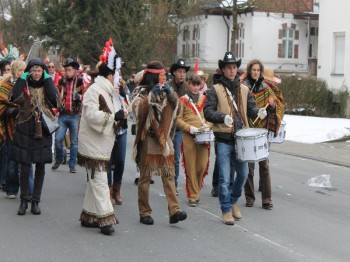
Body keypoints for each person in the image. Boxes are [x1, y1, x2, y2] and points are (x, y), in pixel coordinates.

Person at [203, 51, 267, 225]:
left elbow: (251, 109)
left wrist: (259, 112)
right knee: (224, 178)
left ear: (237, 69)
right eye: (228, 68)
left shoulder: (244, 89)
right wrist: (222, 117)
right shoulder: (214, 89)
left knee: (244, 174)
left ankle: (232, 201)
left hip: (241, 140)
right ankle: (226, 210)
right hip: (223, 139)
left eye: (234, 67)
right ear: (223, 70)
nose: (232, 71)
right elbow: (207, 112)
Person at [132, 61, 187, 225]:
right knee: (145, 177)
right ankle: (144, 212)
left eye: (165, 74)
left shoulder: (167, 91)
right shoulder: (140, 91)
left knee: (169, 174)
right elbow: (137, 110)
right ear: (154, 76)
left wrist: (171, 95)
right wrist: (149, 98)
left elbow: (176, 108)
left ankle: (174, 210)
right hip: (148, 137)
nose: (165, 77)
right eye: (162, 74)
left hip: (165, 138)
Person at [78, 39, 119, 235]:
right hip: (93, 145)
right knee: (100, 181)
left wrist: (120, 117)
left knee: (94, 180)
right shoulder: (94, 90)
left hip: (101, 145)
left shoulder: (109, 91)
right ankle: (105, 219)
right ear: (109, 75)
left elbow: (113, 114)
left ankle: (89, 216)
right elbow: (92, 115)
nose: (118, 78)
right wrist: (113, 118)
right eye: (116, 74)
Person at [9, 57, 58, 215]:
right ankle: (24, 201)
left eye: (39, 70)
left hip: (42, 127)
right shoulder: (24, 84)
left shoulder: (47, 85)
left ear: (43, 72)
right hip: (25, 127)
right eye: (33, 70)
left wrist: (47, 78)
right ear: (29, 72)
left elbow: (54, 99)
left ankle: (35, 201)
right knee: (24, 165)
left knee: (41, 166)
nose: (36, 73)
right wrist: (22, 77)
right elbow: (14, 97)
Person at [243, 60, 278, 210]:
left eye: (258, 70)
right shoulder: (243, 87)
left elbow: (274, 105)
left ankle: (267, 199)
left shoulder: (266, 88)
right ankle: (250, 197)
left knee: (264, 165)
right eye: (253, 70)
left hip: (262, 131)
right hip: (249, 129)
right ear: (250, 71)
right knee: (249, 166)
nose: (256, 72)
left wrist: (271, 105)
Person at [176, 74, 211, 207]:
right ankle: (193, 195)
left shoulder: (205, 99)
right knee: (190, 166)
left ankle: (195, 189)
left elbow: (210, 116)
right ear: (188, 84)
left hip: (203, 135)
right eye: (193, 84)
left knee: (202, 165)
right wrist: (189, 128)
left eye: (198, 85)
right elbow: (178, 119)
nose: (196, 88)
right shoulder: (182, 100)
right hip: (189, 136)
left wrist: (207, 126)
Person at [52, 58, 83, 173]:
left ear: (75, 70)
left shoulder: (80, 82)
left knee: (74, 142)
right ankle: (59, 158)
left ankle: (72, 165)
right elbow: (56, 96)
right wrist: (58, 103)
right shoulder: (61, 82)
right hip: (63, 115)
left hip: (74, 115)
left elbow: (87, 97)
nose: (67, 72)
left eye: (69, 70)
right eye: (66, 70)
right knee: (58, 139)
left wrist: (79, 97)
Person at [167, 58, 190, 192]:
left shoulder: (187, 88)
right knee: (167, 156)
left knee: (176, 157)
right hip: (168, 126)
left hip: (181, 127)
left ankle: (173, 184)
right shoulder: (168, 86)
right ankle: (168, 180)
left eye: (184, 72)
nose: (182, 74)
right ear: (174, 72)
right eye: (179, 71)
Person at [107, 77, 128, 205]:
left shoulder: (122, 89)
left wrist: (123, 94)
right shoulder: (103, 89)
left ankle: (116, 190)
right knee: (108, 161)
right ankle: (108, 191)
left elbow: (129, 105)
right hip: (108, 129)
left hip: (121, 129)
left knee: (120, 160)